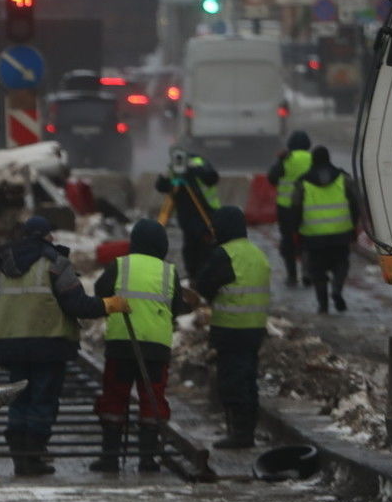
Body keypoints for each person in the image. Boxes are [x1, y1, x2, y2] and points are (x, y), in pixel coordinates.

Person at [0, 216, 130, 476]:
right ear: (47, 236)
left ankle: (21, 457)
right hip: (48, 345)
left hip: (13, 345)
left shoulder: (2, 266)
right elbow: (75, 304)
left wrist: (1, 337)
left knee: (19, 398)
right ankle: (34, 455)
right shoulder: (55, 264)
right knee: (43, 399)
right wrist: (108, 305)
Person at [90, 219, 190, 473]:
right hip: (156, 349)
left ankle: (110, 458)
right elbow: (178, 307)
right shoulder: (169, 272)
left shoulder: (120, 265)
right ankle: (148, 458)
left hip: (121, 344)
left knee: (114, 398)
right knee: (152, 400)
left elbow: (100, 292)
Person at [193, 206, 271, 449]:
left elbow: (203, 284)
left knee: (232, 381)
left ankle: (239, 434)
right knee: (248, 379)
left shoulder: (225, 254)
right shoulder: (257, 253)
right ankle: (247, 429)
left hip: (231, 328)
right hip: (254, 328)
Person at [289, 145, 361, 314]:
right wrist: (353, 226)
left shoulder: (302, 183)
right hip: (341, 233)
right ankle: (336, 290)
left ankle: (323, 304)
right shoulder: (344, 178)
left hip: (313, 236)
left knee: (318, 271)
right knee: (341, 264)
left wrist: (296, 230)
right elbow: (355, 203)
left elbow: (295, 208)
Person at [155, 148, 220, 282]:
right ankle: (193, 277)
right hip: (187, 218)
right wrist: (166, 175)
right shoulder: (175, 169)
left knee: (205, 249)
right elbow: (161, 186)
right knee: (190, 249)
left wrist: (192, 170)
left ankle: (205, 278)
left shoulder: (198, 162)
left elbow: (212, 177)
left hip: (205, 214)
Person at [267, 130, 312, 287]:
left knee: (288, 241)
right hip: (307, 206)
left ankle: (292, 275)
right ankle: (308, 271)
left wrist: (280, 161)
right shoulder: (312, 158)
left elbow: (272, 178)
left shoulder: (286, 158)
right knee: (306, 239)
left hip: (286, 207)